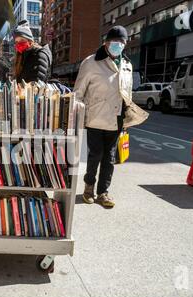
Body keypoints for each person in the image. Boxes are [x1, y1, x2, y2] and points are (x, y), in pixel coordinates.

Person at [74, 26, 133, 208]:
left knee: (110, 158)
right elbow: (78, 93)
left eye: (121, 43)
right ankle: (88, 188)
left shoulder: (127, 65)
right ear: (106, 43)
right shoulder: (91, 62)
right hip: (95, 118)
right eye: (114, 42)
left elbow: (127, 93)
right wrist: (78, 117)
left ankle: (103, 193)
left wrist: (127, 117)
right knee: (95, 155)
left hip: (116, 120)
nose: (118, 45)